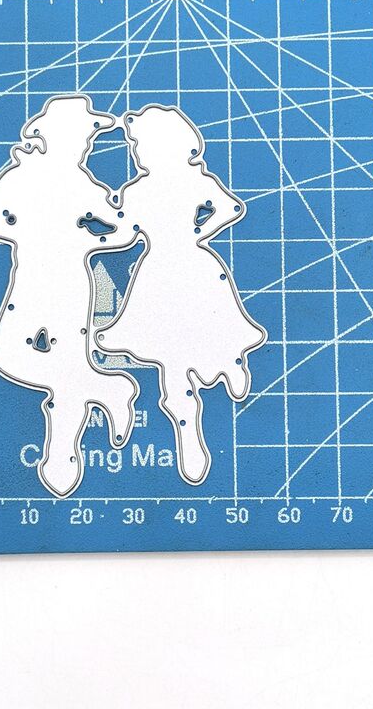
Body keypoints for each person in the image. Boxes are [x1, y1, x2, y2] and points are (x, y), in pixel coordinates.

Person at [95, 105, 266, 485]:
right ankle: (188, 430)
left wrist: (195, 231)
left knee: (207, 322)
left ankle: (230, 364)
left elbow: (229, 208)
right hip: (161, 272)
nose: (136, 151)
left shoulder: (185, 182)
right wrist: (92, 231)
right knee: (170, 348)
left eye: (137, 144)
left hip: (186, 266)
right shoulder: (139, 190)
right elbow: (123, 232)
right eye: (134, 145)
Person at [0, 95, 139, 498]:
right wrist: (27, 229)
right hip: (30, 282)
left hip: (69, 287)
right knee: (8, 355)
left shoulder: (85, 186)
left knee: (66, 368)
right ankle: (109, 390)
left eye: (88, 138)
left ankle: (61, 458)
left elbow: (122, 230)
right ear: (53, 135)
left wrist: (83, 237)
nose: (86, 144)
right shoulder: (21, 174)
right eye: (84, 135)